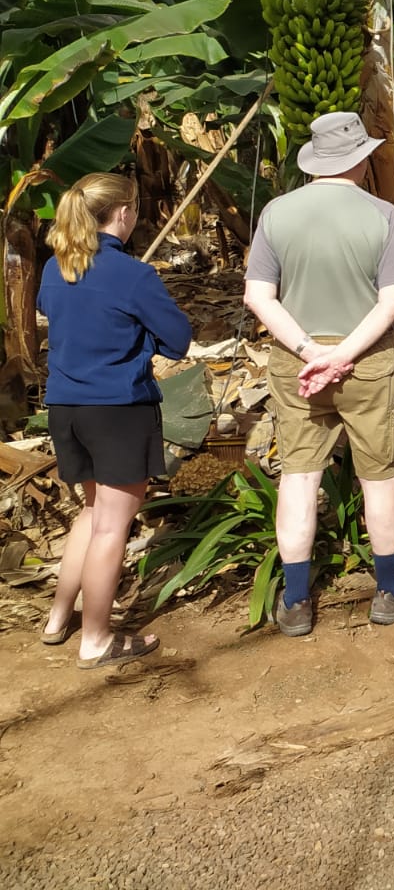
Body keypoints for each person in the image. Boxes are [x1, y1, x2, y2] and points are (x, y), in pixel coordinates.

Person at [243, 113, 394, 637]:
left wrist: (308, 350)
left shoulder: (276, 212)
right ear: (361, 160)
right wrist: (342, 354)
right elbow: (393, 301)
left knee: (299, 475)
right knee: (379, 476)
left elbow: (257, 296)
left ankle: (296, 601)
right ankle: (389, 590)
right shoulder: (383, 214)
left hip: (296, 365)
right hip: (366, 362)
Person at [39, 174, 192, 669]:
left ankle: (59, 617)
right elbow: (177, 339)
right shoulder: (131, 273)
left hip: (66, 407)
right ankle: (98, 639)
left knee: (92, 513)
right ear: (122, 213)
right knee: (111, 526)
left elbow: (58, 314)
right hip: (117, 409)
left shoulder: (54, 267)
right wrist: (141, 342)